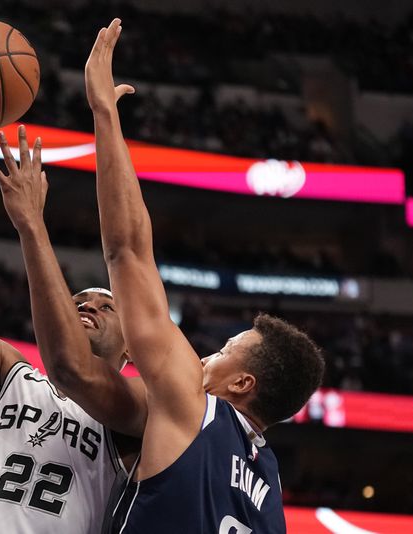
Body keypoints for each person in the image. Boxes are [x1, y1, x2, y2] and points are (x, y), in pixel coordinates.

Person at [84, 19, 326, 533]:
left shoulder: (196, 410)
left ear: (242, 383)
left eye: (223, 350)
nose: (202, 355)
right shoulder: (271, 493)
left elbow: (127, 250)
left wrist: (105, 114)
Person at [0, 43, 144, 533]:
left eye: (107, 306)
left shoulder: (133, 413)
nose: (88, 305)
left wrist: (33, 224)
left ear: (133, 343)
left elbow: (130, 244)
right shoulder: (9, 377)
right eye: (81, 299)